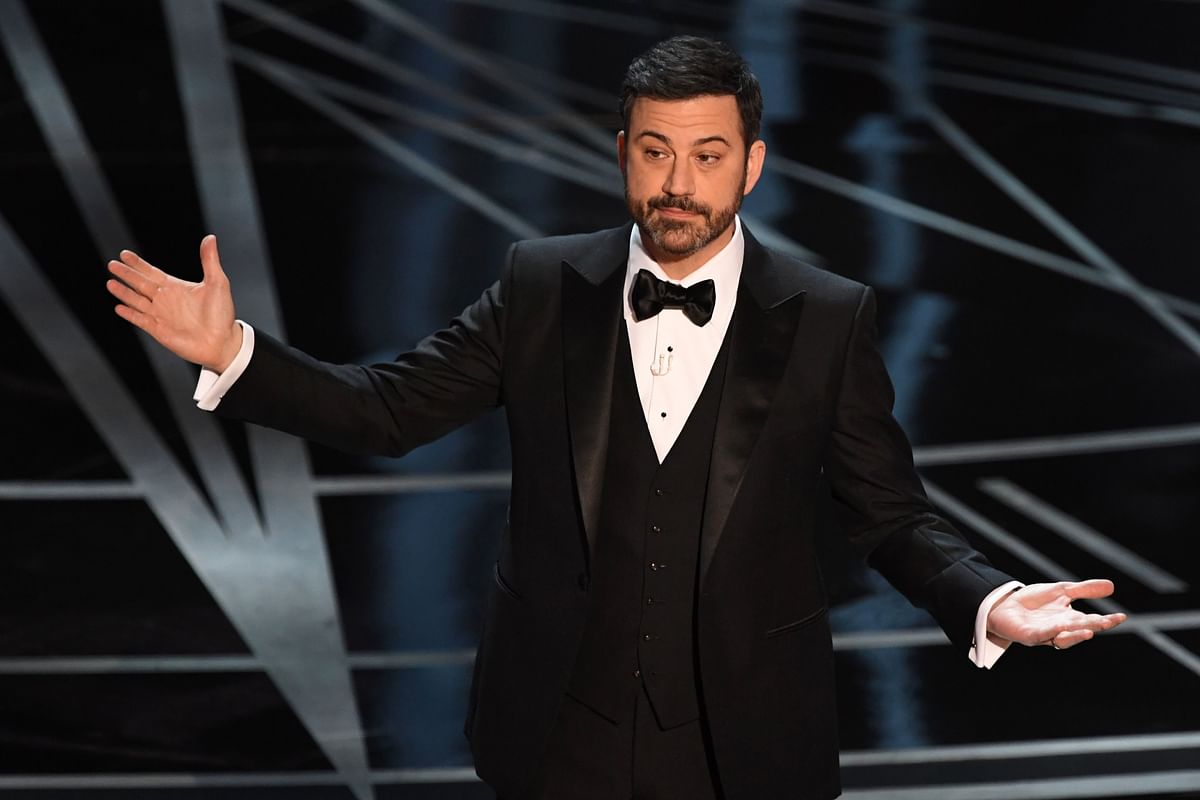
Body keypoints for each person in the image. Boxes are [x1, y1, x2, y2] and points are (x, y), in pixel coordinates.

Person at [105, 35, 1125, 800]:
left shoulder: (827, 316)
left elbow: (891, 516)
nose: (678, 186)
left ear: (753, 164)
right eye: (655, 152)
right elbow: (388, 409)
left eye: (709, 155)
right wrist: (235, 354)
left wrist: (989, 600)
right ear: (624, 153)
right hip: (556, 732)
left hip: (747, 743)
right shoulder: (541, 285)